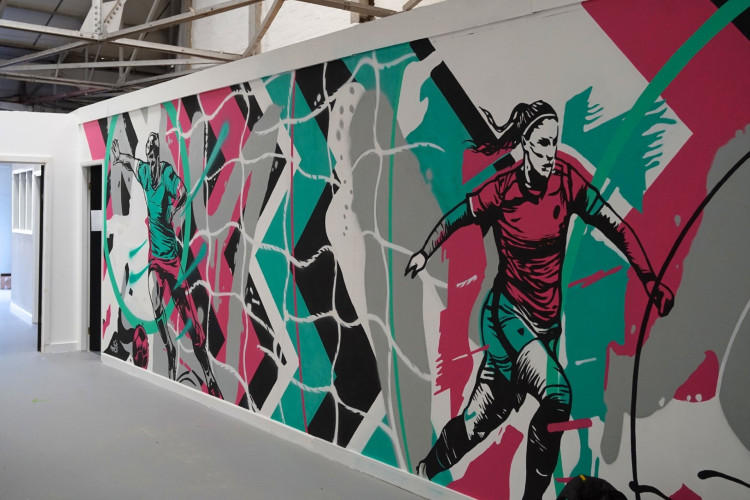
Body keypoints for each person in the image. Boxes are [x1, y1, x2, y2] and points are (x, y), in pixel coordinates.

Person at [405, 101, 673, 499]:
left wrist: (650, 279)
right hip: (506, 318)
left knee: (480, 421)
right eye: (543, 143)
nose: (550, 153)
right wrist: (425, 252)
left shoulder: (566, 181)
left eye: (554, 143)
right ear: (526, 143)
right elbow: (457, 217)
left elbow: (615, 225)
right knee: (558, 395)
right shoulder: (502, 190)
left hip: (545, 328)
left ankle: (424, 469)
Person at [111, 132, 223, 399]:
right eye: (148, 152)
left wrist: (175, 207)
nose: (150, 156)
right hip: (155, 260)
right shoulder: (144, 174)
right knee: (154, 296)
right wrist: (118, 157)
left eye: (153, 152)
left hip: (172, 261)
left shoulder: (167, 174)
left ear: (158, 153)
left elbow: (182, 192)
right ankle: (169, 348)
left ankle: (208, 374)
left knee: (193, 326)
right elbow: (130, 162)